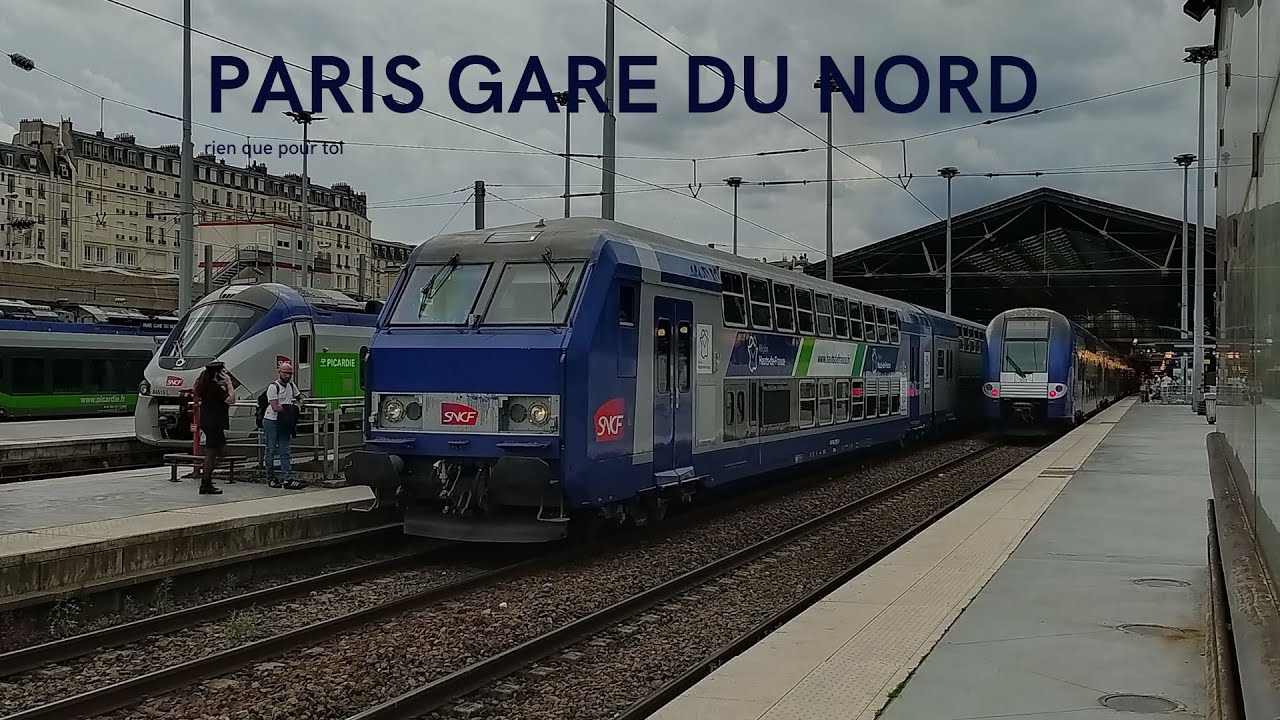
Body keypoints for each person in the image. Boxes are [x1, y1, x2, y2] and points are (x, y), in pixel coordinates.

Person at [193, 362, 235, 495]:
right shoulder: (213, 387)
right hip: (214, 424)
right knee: (214, 453)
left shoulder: (206, 385)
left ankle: (207, 481)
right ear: (217, 374)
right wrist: (229, 383)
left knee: (216, 452)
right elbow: (231, 399)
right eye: (223, 372)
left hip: (210, 423)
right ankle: (206, 483)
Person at [263, 360, 306, 490]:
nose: (287, 376)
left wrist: (296, 406)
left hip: (285, 421)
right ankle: (270, 477)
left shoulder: (291, 386)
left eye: (289, 374)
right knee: (270, 449)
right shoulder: (273, 387)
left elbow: (300, 398)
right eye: (285, 373)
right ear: (279, 372)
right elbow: (275, 407)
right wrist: (291, 409)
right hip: (272, 420)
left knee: (285, 450)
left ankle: (288, 478)